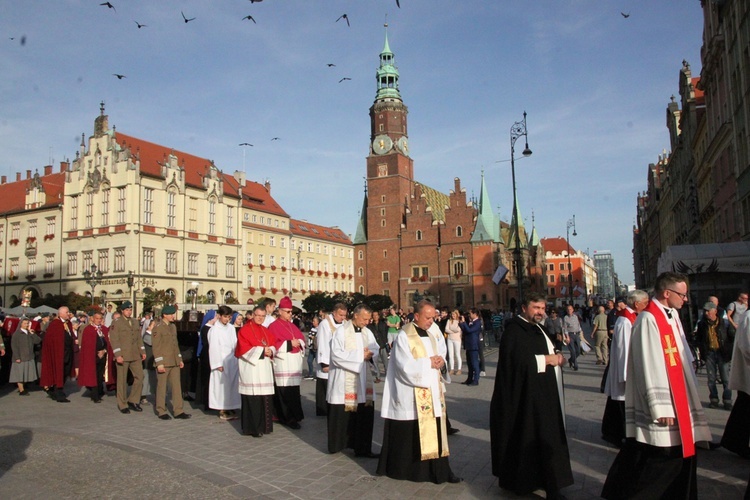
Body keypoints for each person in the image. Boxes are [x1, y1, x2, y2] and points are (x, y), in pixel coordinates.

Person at [602, 272, 711, 499]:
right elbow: (648, 364)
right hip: (664, 405)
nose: (686, 299)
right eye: (682, 294)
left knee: (670, 456)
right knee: (660, 459)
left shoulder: (671, 315)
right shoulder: (649, 319)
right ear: (667, 293)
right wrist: (660, 407)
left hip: (679, 398)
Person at [490, 292, 572, 498]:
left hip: (542, 395)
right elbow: (517, 361)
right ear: (524, 308)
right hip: (525, 399)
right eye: (536, 308)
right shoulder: (514, 331)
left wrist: (558, 356)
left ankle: (543, 480)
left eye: (543, 308)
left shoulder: (538, 328)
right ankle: (542, 483)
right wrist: (548, 359)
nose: (540, 312)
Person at [377, 300, 462, 485]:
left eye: (433, 317)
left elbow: (440, 355)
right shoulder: (404, 336)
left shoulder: (432, 335)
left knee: (436, 430)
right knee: (414, 434)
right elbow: (403, 365)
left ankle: (439, 471)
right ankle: (417, 472)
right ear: (416, 316)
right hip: (412, 394)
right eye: (428, 317)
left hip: (432, 390)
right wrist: (428, 363)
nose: (432, 321)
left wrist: (441, 363)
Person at [327, 304, 380, 456]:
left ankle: (362, 448)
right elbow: (336, 355)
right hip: (344, 380)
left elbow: (375, 348)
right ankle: (338, 446)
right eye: (365, 319)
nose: (367, 322)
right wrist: (359, 355)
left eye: (369, 319)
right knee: (343, 415)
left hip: (363, 380)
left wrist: (370, 354)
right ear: (355, 315)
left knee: (363, 414)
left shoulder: (367, 332)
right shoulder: (341, 332)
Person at [601, 290, 648, 447]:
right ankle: (619, 434)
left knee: (616, 402)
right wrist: (625, 375)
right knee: (620, 402)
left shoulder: (632, 316)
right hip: (624, 368)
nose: (647, 305)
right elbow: (624, 349)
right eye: (645, 302)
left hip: (628, 368)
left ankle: (611, 432)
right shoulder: (624, 321)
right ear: (636, 303)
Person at [236, 305, 276, 437]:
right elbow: (243, 349)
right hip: (251, 370)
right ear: (253, 315)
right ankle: (252, 428)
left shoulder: (265, 330)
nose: (260, 318)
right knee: (253, 399)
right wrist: (263, 350)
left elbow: (274, 344)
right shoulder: (245, 330)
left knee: (264, 398)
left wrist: (271, 350)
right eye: (258, 315)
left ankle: (265, 427)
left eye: (263, 316)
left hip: (264, 369)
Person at [268, 296, 306, 429]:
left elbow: (302, 339)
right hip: (283, 363)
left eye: (291, 312)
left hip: (293, 363)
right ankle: (287, 418)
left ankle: (296, 415)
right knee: (284, 391)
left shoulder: (292, 326)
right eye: (288, 312)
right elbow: (273, 344)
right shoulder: (273, 326)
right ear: (280, 311)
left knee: (294, 391)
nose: (290, 314)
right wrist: (290, 344)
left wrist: (299, 343)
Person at [152, 305, 191, 420]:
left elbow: (175, 344)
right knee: (162, 387)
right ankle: (161, 410)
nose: (173, 316)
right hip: (164, 361)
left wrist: (179, 359)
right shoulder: (158, 327)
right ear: (164, 315)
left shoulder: (173, 327)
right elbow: (156, 347)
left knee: (176, 387)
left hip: (174, 361)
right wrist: (159, 363)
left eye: (173, 314)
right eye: (171, 314)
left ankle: (178, 410)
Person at [109, 301, 146, 414]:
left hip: (135, 354)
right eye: (127, 310)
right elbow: (114, 340)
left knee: (140, 376)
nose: (129, 312)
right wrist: (118, 355)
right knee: (122, 380)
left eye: (130, 310)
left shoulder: (135, 322)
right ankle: (122, 403)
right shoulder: (117, 322)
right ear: (122, 311)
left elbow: (139, 338)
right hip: (123, 355)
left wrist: (142, 350)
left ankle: (133, 400)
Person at [721, 314, 750, 458]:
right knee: (744, 409)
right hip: (747, 373)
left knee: (743, 409)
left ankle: (734, 441)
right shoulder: (749, 317)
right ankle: (736, 443)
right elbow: (747, 346)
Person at [696, 301, 733, 410]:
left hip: (722, 352)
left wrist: (729, 351)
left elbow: (732, 337)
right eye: (705, 311)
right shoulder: (702, 324)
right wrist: (702, 351)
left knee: (726, 378)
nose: (706, 313)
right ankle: (714, 399)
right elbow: (699, 339)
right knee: (711, 378)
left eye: (708, 310)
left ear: (715, 311)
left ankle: (727, 400)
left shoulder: (724, 323)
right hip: (709, 353)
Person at [208, 305, 241, 421]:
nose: (227, 319)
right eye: (225, 317)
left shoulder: (231, 328)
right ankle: (222, 408)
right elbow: (213, 347)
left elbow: (235, 343)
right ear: (219, 316)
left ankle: (231, 406)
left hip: (232, 360)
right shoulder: (214, 330)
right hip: (221, 361)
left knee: (232, 385)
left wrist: (237, 357)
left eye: (229, 317)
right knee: (222, 386)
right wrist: (217, 363)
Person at [316, 303, 347, 417]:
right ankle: (323, 411)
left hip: (339, 362)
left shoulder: (345, 324)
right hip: (327, 360)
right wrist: (324, 363)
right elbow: (322, 342)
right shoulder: (325, 324)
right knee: (325, 385)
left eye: (344, 315)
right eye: (340, 315)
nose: (343, 318)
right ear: (334, 313)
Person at [40, 306, 75, 403]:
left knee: (66, 372)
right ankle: (58, 393)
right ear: (60, 314)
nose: (68, 314)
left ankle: (55, 390)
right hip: (59, 353)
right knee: (59, 372)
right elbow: (51, 340)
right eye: (67, 312)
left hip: (68, 352)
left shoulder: (68, 324)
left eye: (68, 312)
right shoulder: (55, 324)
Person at [77, 312, 108, 403]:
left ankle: (99, 392)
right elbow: (88, 345)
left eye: (100, 318)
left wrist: (104, 351)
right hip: (93, 356)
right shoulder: (88, 329)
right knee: (93, 375)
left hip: (102, 355)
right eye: (97, 318)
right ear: (93, 319)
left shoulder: (103, 330)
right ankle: (94, 396)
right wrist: (96, 353)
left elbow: (107, 343)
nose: (99, 320)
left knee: (99, 376)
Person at [9, 318, 41, 396]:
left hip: (29, 356)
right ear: (21, 324)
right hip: (20, 357)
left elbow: (38, 341)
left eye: (27, 323)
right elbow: (14, 346)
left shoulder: (29, 333)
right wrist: (17, 357)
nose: (26, 325)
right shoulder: (16, 334)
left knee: (26, 373)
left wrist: (33, 334)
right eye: (25, 323)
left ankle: (24, 386)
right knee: (19, 374)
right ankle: (21, 390)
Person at [459, 308, 482, 385]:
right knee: (469, 363)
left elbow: (469, 330)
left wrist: (464, 323)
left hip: (473, 345)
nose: (469, 315)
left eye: (470, 313)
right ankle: (469, 379)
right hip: (469, 344)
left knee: (474, 363)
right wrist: (461, 323)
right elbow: (465, 330)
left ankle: (476, 380)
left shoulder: (478, 322)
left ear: (475, 314)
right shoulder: (471, 322)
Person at [370, 310, 389, 378]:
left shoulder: (383, 324)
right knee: (375, 362)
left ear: (379, 316)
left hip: (382, 344)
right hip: (374, 346)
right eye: (373, 315)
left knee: (385, 361)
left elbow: (386, 333)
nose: (375, 317)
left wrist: (385, 342)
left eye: (376, 315)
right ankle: (378, 376)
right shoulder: (370, 326)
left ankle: (387, 375)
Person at [562, 305, 582, 371]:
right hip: (570, 335)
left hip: (576, 334)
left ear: (573, 310)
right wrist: (567, 337)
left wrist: (581, 332)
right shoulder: (565, 318)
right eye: (568, 309)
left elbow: (578, 325)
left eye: (570, 309)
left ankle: (571, 360)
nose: (569, 310)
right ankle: (575, 365)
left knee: (578, 351)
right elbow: (565, 328)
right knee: (573, 351)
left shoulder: (575, 316)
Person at [444, 310, 462, 375]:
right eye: (452, 314)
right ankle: (452, 369)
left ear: (457, 315)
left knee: (457, 354)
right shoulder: (449, 321)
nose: (452, 316)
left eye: (454, 314)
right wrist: (452, 331)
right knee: (451, 355)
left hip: (457, 339)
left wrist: (450, 330)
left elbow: (458, 329)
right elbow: (446, 329)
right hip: (450, 339)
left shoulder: (459, 321)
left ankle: (459, 369)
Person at [305, 316, 318, 380]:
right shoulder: (312, 329)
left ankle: (317, 375)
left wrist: (313, 337)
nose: (313, 322)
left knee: (318, 362)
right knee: (309, 361)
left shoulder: (320, 329)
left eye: (314, 321)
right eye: (313, 321)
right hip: (311, 347)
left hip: (316, 347)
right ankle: (310, 374)